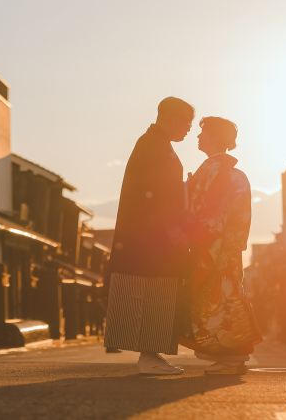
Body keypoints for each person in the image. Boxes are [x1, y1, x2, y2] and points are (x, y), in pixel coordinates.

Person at [104, 97, 194, 375]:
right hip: (151, 238)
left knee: (156, 290)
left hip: (148, 235)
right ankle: (149, 356)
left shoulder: (155, 143)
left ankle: (151, 354)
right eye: (187, 122)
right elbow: (151, 191)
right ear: (169, 117)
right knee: (152, 290)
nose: (189, 129)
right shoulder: (153, 144)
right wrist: (169, 225)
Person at [179, 117, 263, 375]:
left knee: (220, 301)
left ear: (215, 137)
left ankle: (232, 356)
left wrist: (193, 238)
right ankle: (234, 355)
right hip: (226, 247)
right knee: (227, 299)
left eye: (203, 133)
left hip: (212, 247)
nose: (198, 137)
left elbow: (210, 214)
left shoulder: (216, 171)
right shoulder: (232, 173)